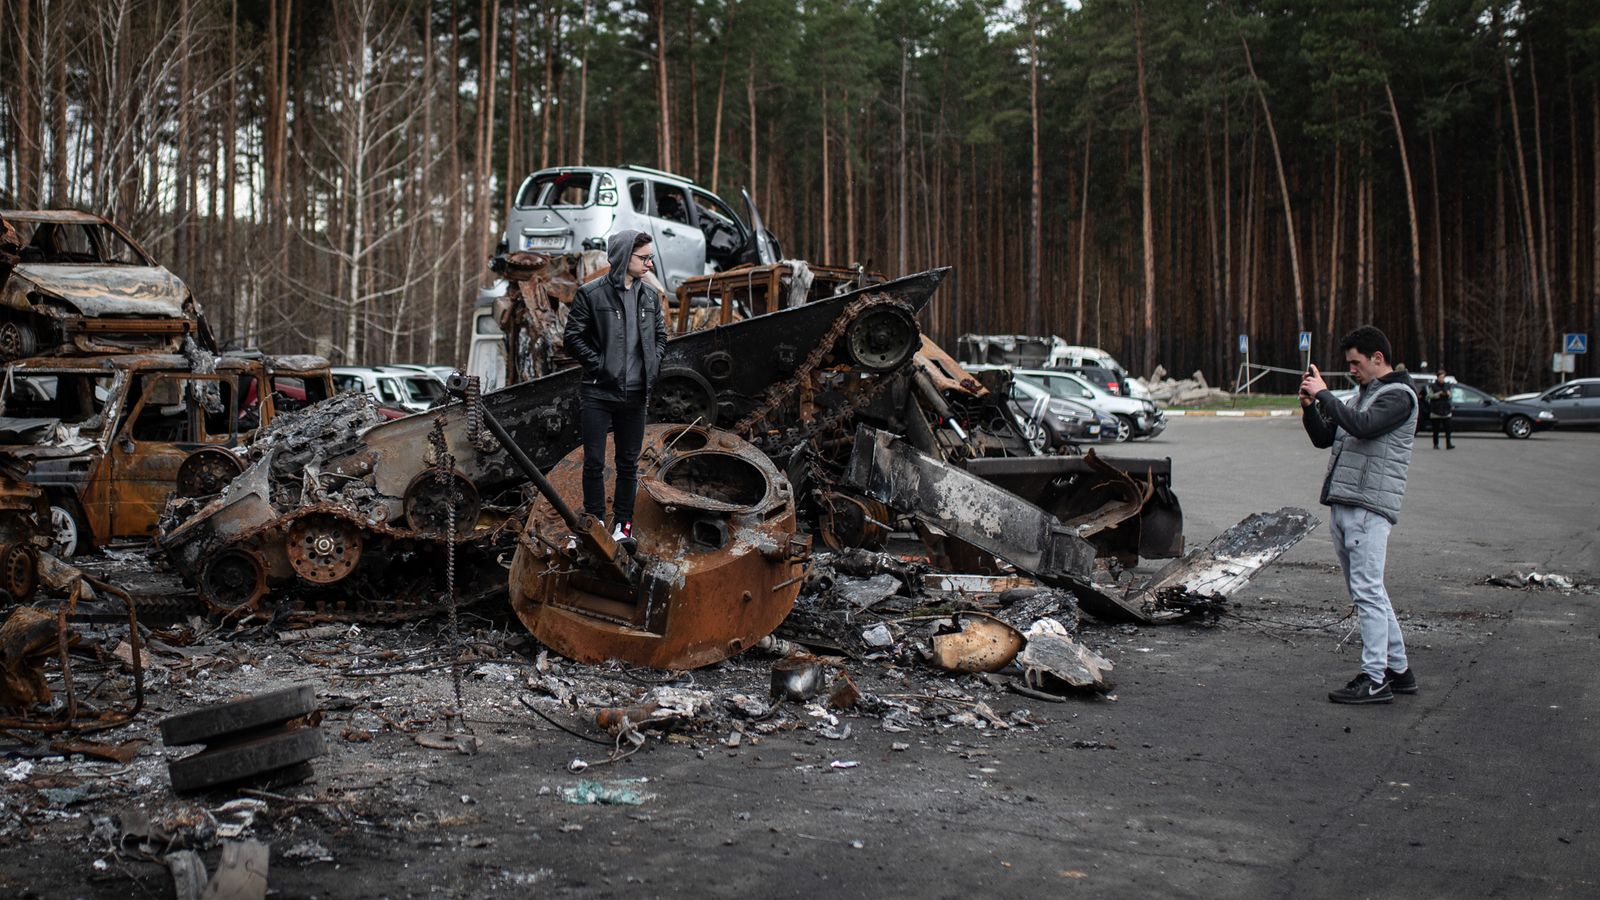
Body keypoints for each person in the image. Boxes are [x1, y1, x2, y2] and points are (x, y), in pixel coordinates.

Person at [1299, 325, 1419, 705]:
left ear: (1377, 359)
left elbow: (1363, 428)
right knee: (1370, 593)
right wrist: (1310, 406)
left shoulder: (1399, 397)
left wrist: (1325, 394)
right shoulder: (1359, 398)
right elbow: (1325, 437)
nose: (1352, 369)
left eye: (1356, 363)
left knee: (1367, 594)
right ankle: (1398, 671)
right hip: (1347, 504)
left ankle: (1374, 678)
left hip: (1369, 509)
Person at [562, 230, 667, 548]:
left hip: (636, 396)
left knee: (628, 464)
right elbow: (572, 337)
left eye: (651, 257)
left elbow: (661, 337)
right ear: (624, 257)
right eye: (644, 257)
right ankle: (594, 524)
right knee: (594, 461)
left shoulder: (650, 297)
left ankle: (623, 527)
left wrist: (654, 363)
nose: (650, 263)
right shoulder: (591, 295)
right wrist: (601, 366)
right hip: (598, 393)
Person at [1425, 370, 1455, 449]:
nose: (1442, 379)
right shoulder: (1432, 386)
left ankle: (1448, 444)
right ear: (1437, 377)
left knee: (1448, 429)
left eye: (1443, 377)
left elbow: (1451, 396)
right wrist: (1438, 394)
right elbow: (1428, 396)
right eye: (1440, 377)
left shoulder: (1447, 385)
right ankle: (1436, 444)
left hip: (1446, 410)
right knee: (1436, 430)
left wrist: (1448, 394)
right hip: (1435, 411)